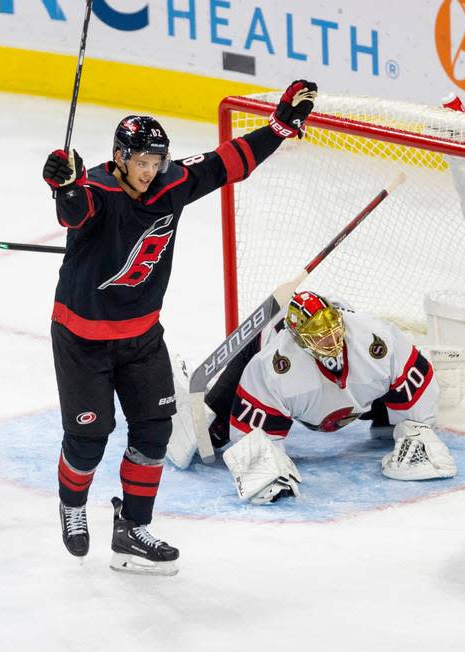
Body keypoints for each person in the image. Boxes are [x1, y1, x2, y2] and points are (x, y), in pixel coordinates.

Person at [40, 80, 318, 574]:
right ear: (120, 158)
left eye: (156, 162)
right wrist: (65, 185)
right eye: (140, 162)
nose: (149, 172)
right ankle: (72, 506)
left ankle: (132, 529)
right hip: (83, 338)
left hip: (142, 335)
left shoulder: (171, 182)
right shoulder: (97, 190)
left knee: (153, 431)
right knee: (90, 437)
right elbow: (74, 211)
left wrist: (278, 126)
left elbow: (228, 162)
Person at [173, 290, 456, 504]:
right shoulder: (275, 365)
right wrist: (263, 462)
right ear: (300, 340)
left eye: (334, 331)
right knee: (213, 435)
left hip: (350, 382)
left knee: (384, 389)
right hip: (256, 345)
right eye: (320, 337)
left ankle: (384, 419)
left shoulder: (375, 338)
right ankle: (177, 383)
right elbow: (250, 435)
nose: (331, 340)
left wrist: (415, 426)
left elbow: (413, 377)